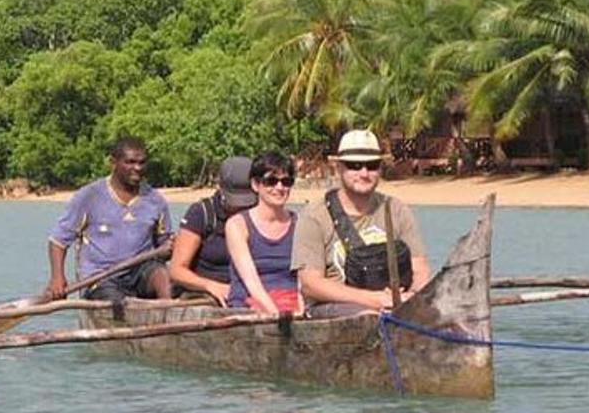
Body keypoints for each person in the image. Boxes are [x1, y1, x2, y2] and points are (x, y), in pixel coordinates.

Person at [291, 129, 431, 316]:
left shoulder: (396, 210)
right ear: (339, 168)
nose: (364, 173)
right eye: (354, 165)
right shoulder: (314, 217)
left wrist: (412, 296)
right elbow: (311, 284)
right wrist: (377, 300)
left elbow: (420, 268)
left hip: (396, 305)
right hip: (333, 308)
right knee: (367, 316)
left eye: (372, 165)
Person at [44, 136, 172, 302]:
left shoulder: (155, 201)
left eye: (142, 163)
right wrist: (57, 278)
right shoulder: (89, 196)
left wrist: (170, 247)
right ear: (113, 163)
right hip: (100, 278)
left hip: (141, 272)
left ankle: (168, 313)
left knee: (164, 277)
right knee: (116, 302)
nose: (137, 168)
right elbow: (58, 242)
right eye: (130, 162)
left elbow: (164, 245)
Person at [168, 156, 258, 305]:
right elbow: (177, 270)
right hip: (205, 292)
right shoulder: (201, 213)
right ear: (220, 188)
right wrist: (211, 286)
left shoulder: (260, 212)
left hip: (248, 290)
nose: (240, 208)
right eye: (234, 202)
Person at [225, 150, 300, 315]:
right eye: (271, 181)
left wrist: (300, 312)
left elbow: (305, 278)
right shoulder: (237, 225)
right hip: (250, 305)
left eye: (286, 181)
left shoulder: (300, 224)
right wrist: (277, 315)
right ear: (255, 185)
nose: (279, 187)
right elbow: (251, 281)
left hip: (292, 304)